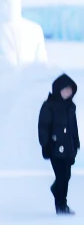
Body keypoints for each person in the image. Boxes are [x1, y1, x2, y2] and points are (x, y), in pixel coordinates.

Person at [38, 73, 79, 215]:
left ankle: (62, 202)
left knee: (66, 177)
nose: (68, 92)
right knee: (62, 176)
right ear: (58, 89)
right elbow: (43, 126)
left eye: (70, 90)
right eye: (65, 89)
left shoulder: (71, 107)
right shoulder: (49, 106)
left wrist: (76, 143)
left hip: (68, 148)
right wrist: (46, 145)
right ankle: (60, 205)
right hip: (55, 148)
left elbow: (74, 127)